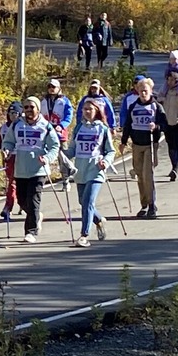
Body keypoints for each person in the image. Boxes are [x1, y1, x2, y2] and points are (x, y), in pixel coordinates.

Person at [4, 96, 62, 243]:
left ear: (38, 109)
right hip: (21, 169)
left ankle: (31, 231)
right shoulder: (17, 124)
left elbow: (55, 146)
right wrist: (7, 150)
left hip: (38, 169)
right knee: (22, 201)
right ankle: (36, 216)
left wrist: (47, 158)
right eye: (26, 107)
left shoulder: (46, 126)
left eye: (32, 107)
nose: (29, 110)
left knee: (33, 199)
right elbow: (8, 141)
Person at [71, 98, 115, 247]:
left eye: (90, 109)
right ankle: (99, 219)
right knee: (82, 202)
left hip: (95, 171)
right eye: (85, 109)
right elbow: (72, 150)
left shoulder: (102, 129)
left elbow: (110, 151)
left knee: (88, 202)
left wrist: (106, 162)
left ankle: (84, 235)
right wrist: (60, 152)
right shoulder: (78, 128)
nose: (87, 112)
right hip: (80, 170)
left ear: (97, 111)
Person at [120, 78, 166, 219]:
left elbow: (165, 124)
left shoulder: (156, 106)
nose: (143, 93)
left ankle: (152, 205)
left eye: (146, 91)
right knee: (140, 176)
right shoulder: (134, 106)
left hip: (150, 144)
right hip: (136, 145)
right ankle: (144, 204)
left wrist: (156, 126)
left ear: (151, 91)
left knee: (148, 175)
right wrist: (123, 141)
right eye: (141, 91)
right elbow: (128, 124)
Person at [0, 101, 23, 222]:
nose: (12, 115)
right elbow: (0, 143)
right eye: (10, 113)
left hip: (19, 157)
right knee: (13, 183)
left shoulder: (22, 126)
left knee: (13, 183)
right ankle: (20, 203)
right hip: (7, 159)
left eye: (15, 113)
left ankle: (8, 207)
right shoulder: (4, 127)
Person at [41, 78, 73, 144]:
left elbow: (68, 116)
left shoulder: (65, 101)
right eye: (49, 86)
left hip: (60, 133)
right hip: (46, 133)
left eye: (53, 87)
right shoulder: (43, 101)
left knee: (63, 152)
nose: (51, 88)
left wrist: (61, 126)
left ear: (59, 88)